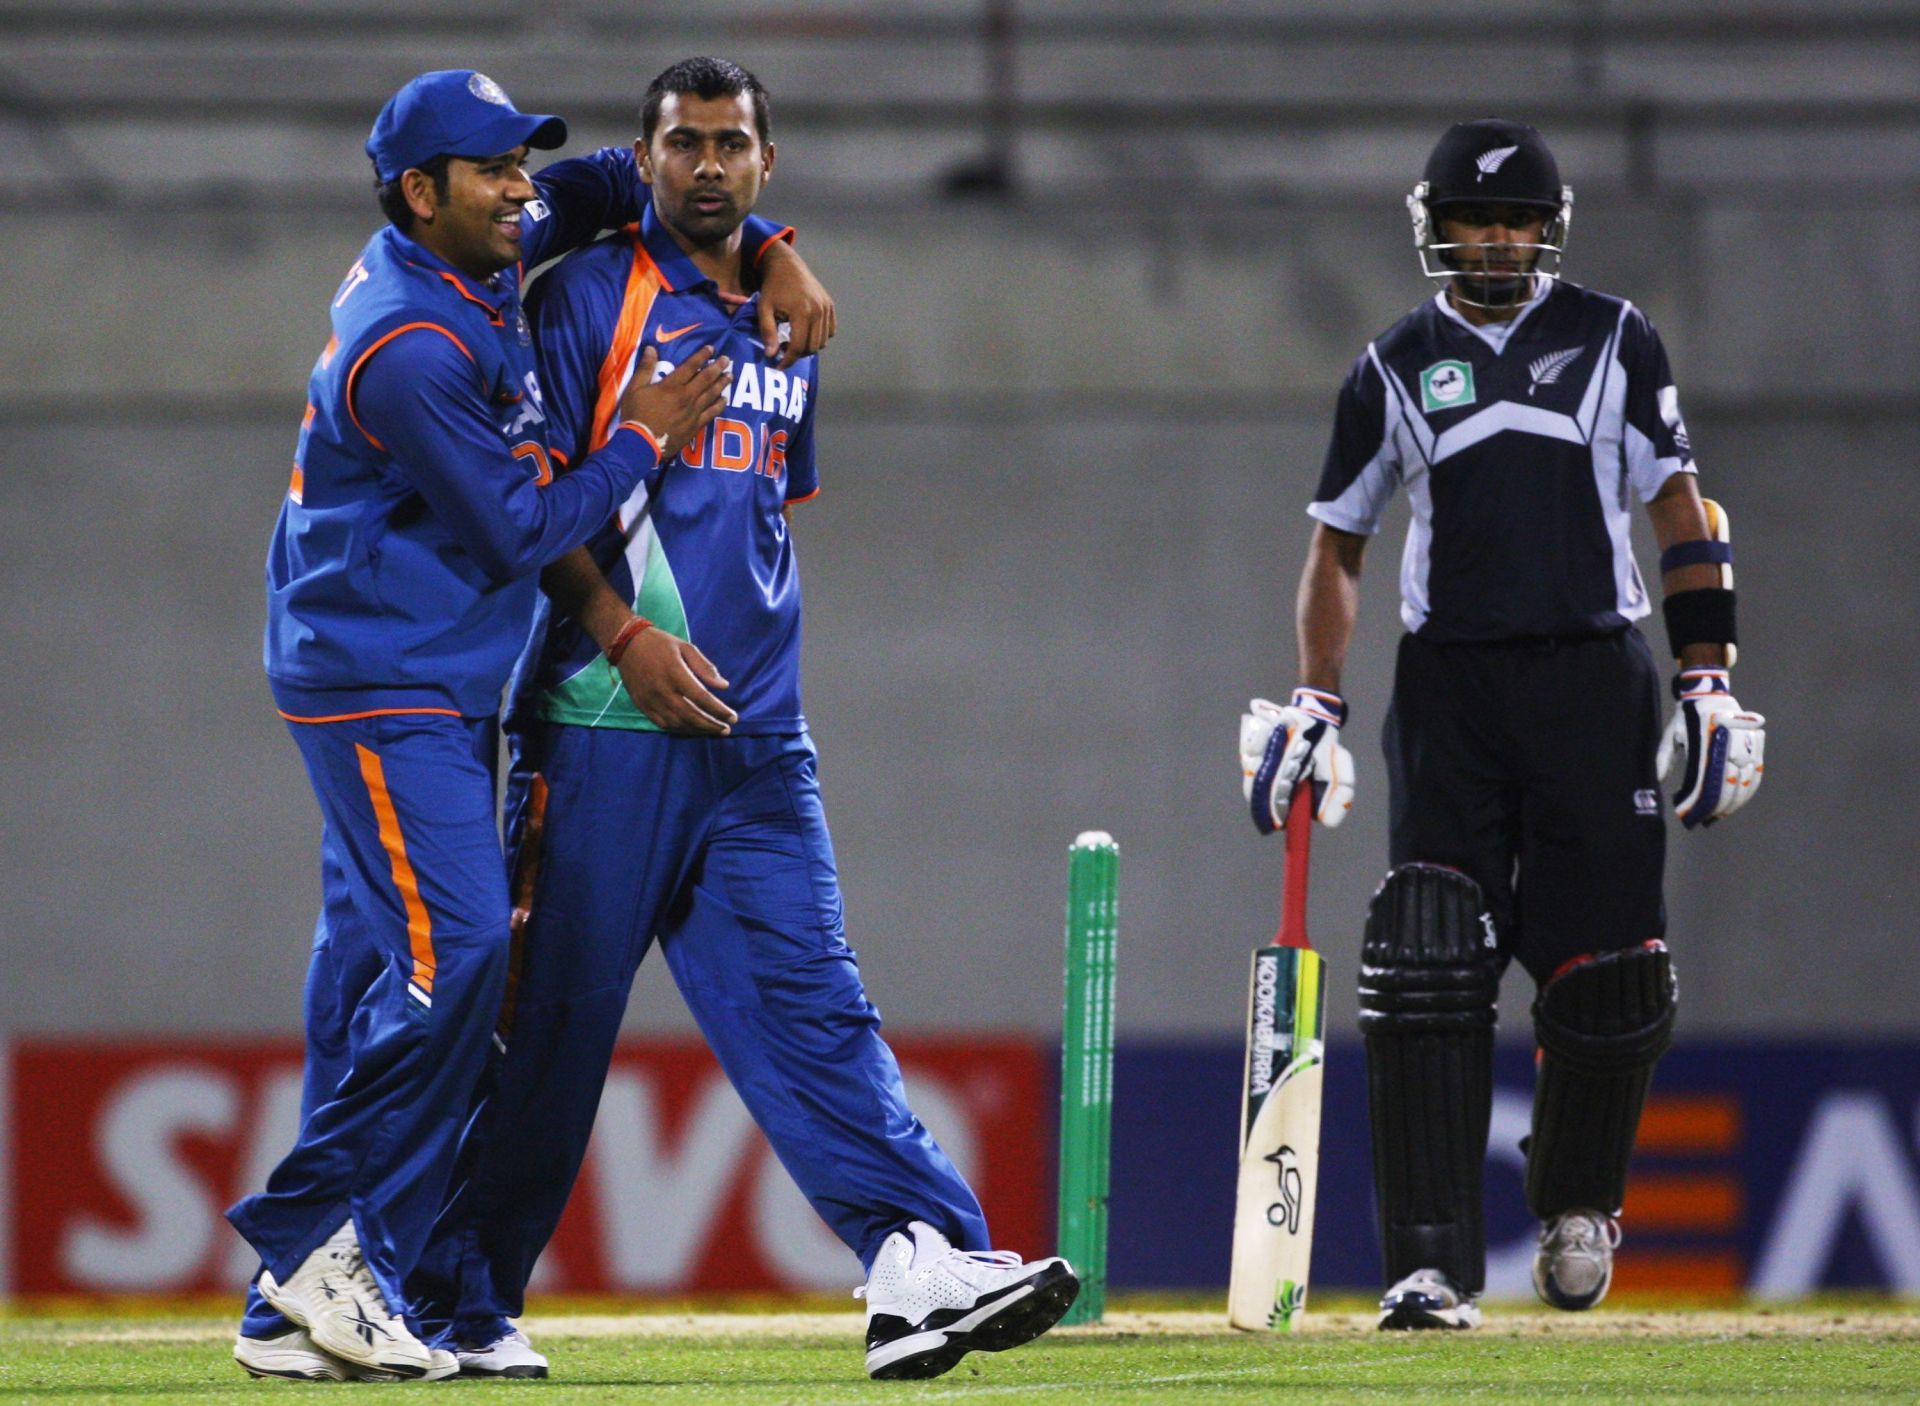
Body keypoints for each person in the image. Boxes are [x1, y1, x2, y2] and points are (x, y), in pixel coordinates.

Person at [404, 58, 1078, 1382]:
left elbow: (760, 513)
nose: (708, 166)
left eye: (733, 146)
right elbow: (534, 508)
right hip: (601, 728)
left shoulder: (789, 325)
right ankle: (452, 1303)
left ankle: (915, 1263)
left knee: (819, 1008)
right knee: (547, 1044)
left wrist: (776, 261)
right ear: (645, 158)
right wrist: (624, 639)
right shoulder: (583, 296)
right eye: (684, 143)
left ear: (769, 166)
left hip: (756, 740)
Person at [229, 68, 835, 1382]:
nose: (524, 188)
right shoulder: (411, 346)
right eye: (495, 170)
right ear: (417, 192)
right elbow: (515, 532)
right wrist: (635, 441)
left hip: (433, 674)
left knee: (371, 973)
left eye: (523, 163)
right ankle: (303, 1244)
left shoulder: (496, 232)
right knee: (462, 961)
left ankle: (306, 1303)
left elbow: (642, 178)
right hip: (379, 678)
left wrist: (779, 255)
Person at [1238, 118, 1766, 1330]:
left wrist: (1707, 678)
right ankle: (1430, 1266)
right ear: (1436, 232)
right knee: (1426, 957)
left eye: (1515, 221)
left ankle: (1578, 1200)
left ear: (1547, 229)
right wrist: (1319, 694)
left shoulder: (1613, 337)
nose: (1494, 240)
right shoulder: (1393, 364)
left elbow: (1684, 505)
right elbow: (1339, 541)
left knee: (1613, 976)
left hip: (1594, 678)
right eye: (1473, 222)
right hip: (1453, 689)